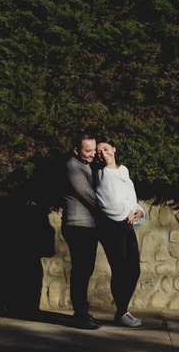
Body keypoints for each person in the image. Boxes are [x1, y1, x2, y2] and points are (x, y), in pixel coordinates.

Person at [92, 135, 145, 327]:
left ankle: (122, 311)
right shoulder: (101, 173)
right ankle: (122, 313)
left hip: (127, 224)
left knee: (134, 270)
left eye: (106, 149)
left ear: (114, 149)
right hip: (111, 226)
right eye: (99, 152)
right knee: (120, 269)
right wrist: (126, 212)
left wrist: (138, 209)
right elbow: (104, 201)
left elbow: (129, 196)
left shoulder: (123, 170)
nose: (103, 154)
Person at [61, 132, 104, 328]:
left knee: (85, 270)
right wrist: (115, 210)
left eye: (94, 149)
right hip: (78, 227)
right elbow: (90, 197)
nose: (93, 154)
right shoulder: (72, 167)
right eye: (88, 151)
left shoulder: (87, 164)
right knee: (80, 271)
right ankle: (80, 315)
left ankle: (83, 312)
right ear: (76, 150)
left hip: (87, 226)